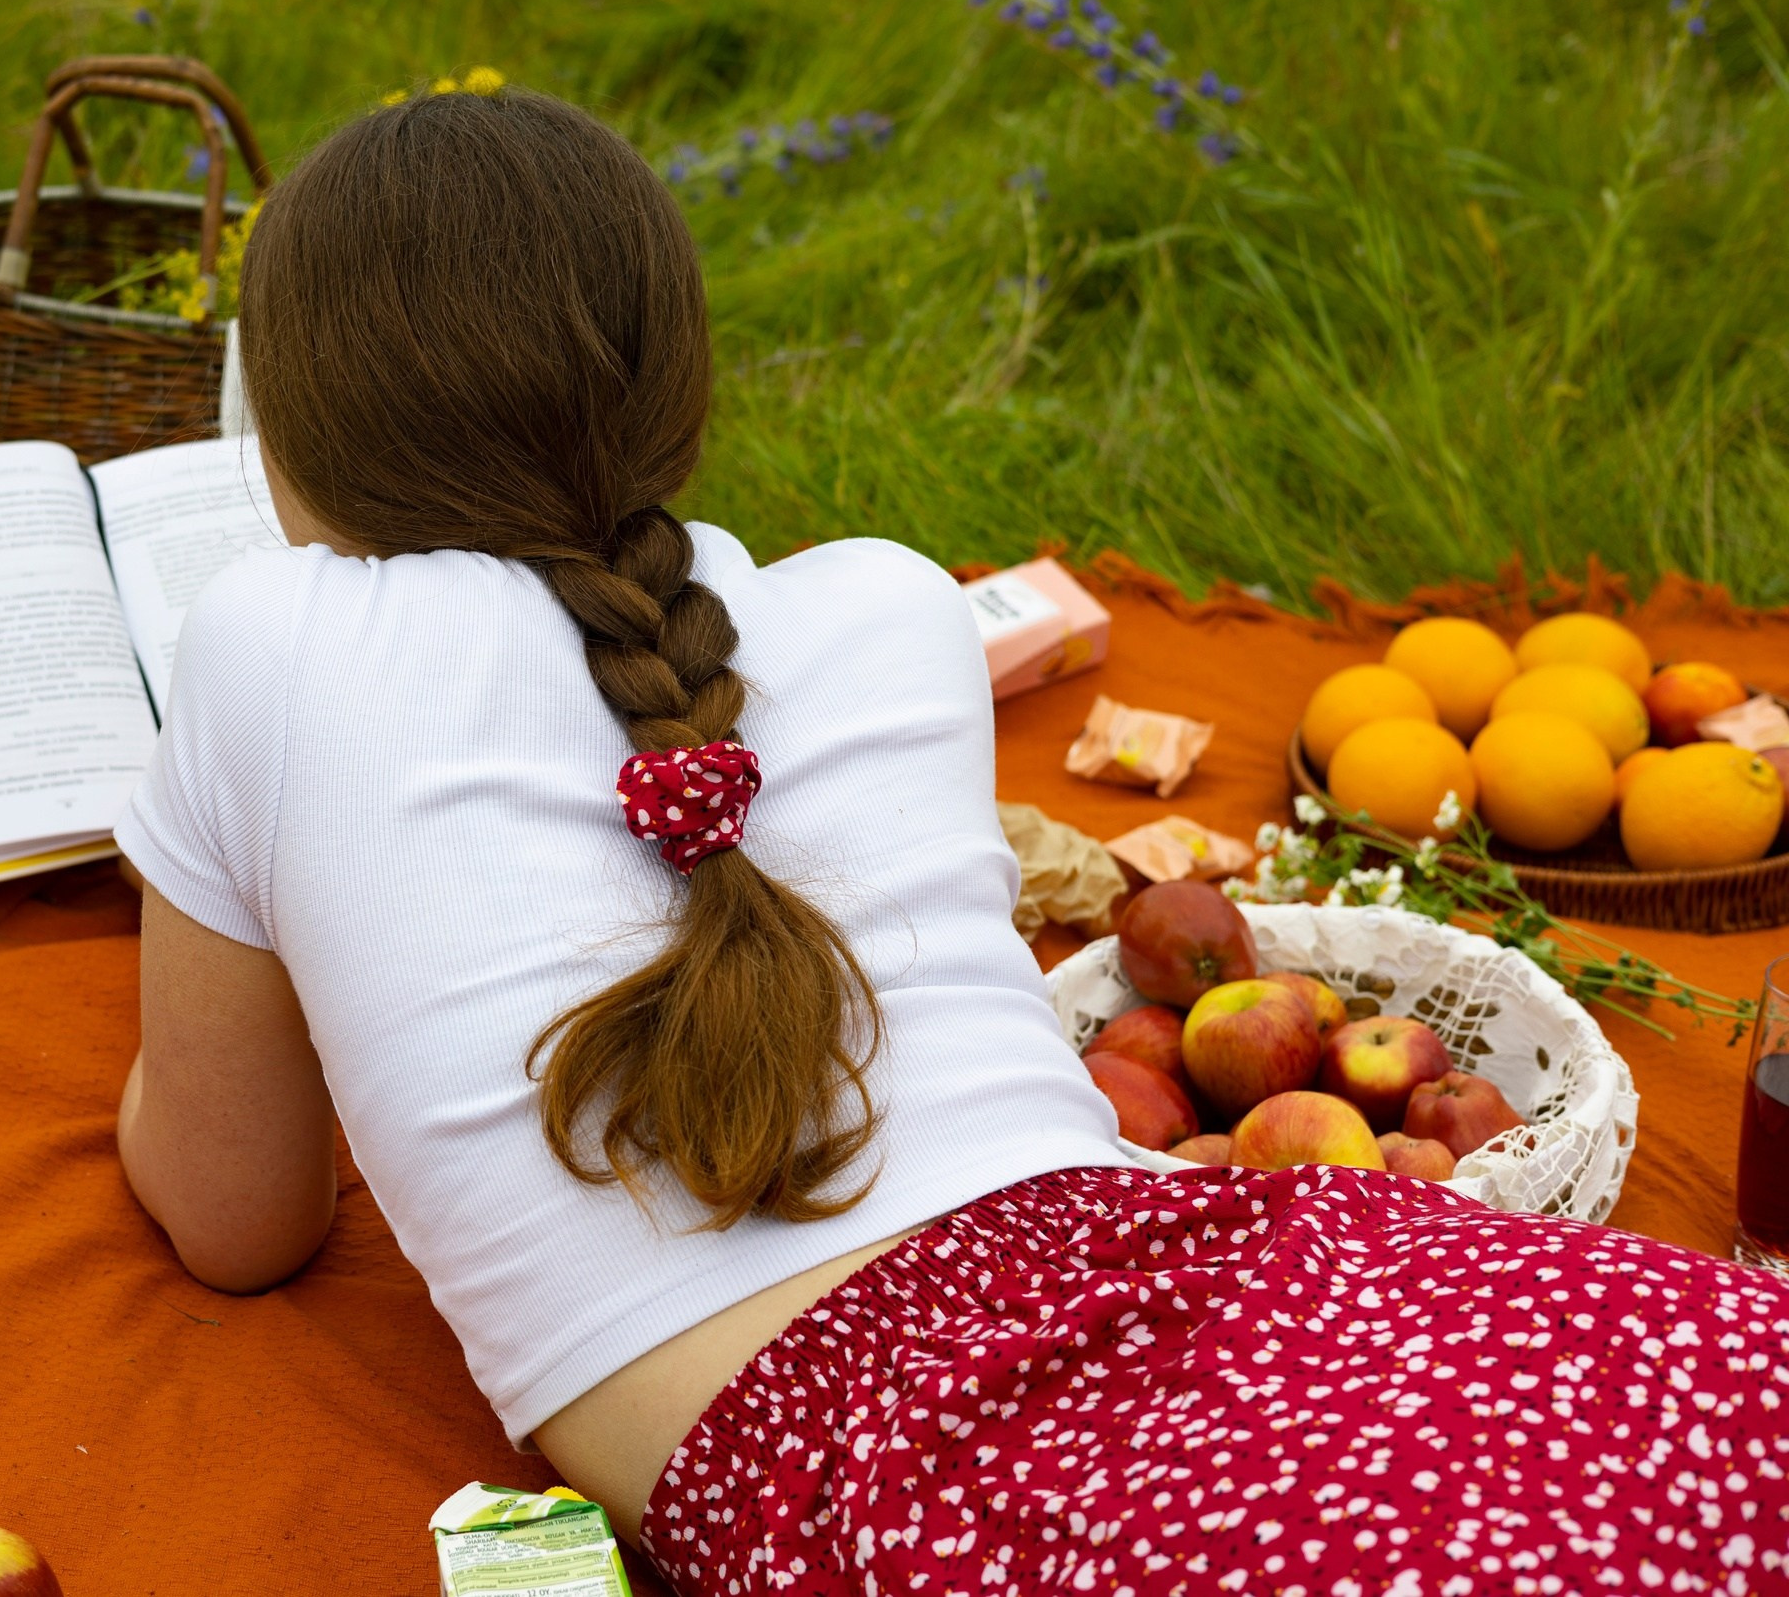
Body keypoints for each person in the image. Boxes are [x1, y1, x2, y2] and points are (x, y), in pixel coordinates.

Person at [111, 86, 1789, 1595]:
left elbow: (238, 1222)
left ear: (291, 442)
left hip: (959, 1465)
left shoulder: (264, 641)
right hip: (1258, 1270)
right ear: (679, 390)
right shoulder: (893, 603)